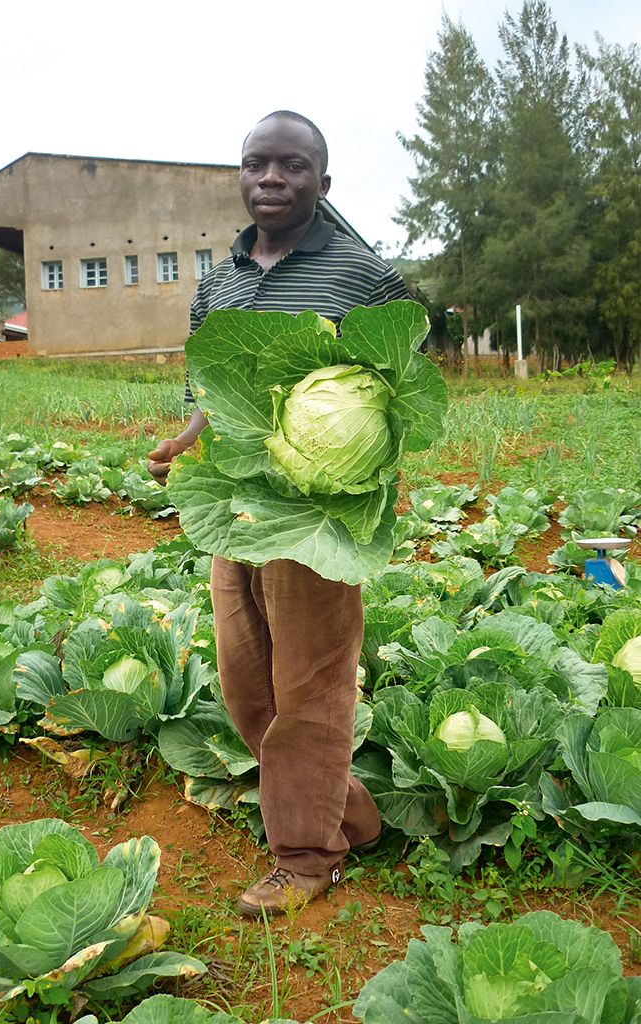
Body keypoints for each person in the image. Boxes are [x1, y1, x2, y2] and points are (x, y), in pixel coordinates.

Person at [149, 111, 410, 916]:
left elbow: (398, 385)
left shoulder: (361, 274)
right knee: (245, 682)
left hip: (317, 517)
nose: (271, 178)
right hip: (235, 506)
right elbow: (206, 382)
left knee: (311, 687)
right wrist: (185, 437)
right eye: (256, 163)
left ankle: (305, 856)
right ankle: (353, 818)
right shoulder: (221, 278)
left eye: (292, 166)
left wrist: (356, 467)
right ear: (240, 174)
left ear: (322, 184)